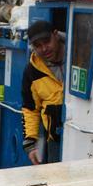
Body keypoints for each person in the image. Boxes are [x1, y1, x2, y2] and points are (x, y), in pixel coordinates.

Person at [21, 20, 65, 165]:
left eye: (47, 41)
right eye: (38, 46)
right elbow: (30, 108)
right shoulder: (31, 71)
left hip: (83, 134)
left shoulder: (80, 54)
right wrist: (31, 144)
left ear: (56, 35)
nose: (44, 49)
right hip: (55, 140)